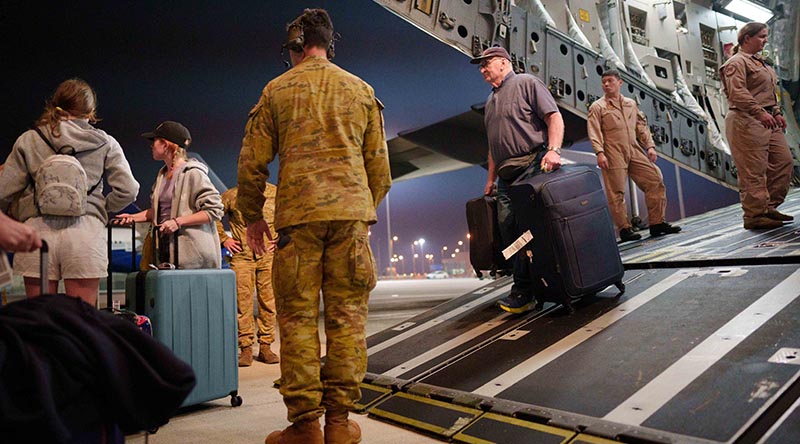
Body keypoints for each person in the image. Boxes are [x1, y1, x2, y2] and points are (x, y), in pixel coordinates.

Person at [236, 8, 391, 444]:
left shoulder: (276, 91)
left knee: (299, 320)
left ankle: (305, 427)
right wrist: (364, 211)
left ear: (296, 47)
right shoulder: (360, 90)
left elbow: (252, 164)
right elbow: (379, 169)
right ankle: (339, 424)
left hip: (298, 223)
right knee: (347, 320)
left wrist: (251, 216)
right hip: (350, 221)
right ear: (328, 43)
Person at [0, 78, 139, 305]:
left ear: (55, 105)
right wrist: (100, 207)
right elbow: (129, 190)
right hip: (85, 233)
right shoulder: (105, 143)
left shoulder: (29, 139)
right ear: (91, 111)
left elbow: (3, 191)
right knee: (82, 322)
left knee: (40, 320)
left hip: (38, 234)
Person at [472, 46, 564, 314]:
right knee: (509, 230)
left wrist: (554, 151)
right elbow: (493, 146)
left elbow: (553, 116)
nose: (482, 70)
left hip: (531, 165)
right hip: (505, 176)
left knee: (531, 230)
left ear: (502, 62)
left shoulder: (526, 83)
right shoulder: (490, 101)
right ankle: (525, 287)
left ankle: (533, 287)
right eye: (480, 66)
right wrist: (490, 179)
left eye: (485, 63)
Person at [587, 69, 682, 242]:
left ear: (619, 82)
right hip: (612, 151)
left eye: (610, 81)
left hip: (634, 148)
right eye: (603, 82)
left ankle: (657, 223)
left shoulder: (630, 104)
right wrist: (600, 152)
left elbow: (641, 126)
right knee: (616, 192)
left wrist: (650, 146)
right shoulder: (598, 107)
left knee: (655, 179)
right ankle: (624, 229)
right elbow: (594, 131)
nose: (606, 84)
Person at [114, 121, 223, 269]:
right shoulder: (162, 175)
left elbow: (214, 210)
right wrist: (133, 218)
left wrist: (177, 222)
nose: (151, 145)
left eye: (154, 141)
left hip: (192, 255)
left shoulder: (193, 173)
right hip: (167, 251)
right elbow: (159, 211)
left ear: (165, 145)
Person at [719, 22, 795, 230]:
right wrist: (760, 112)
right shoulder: (736, 62)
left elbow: (770, 93)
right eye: (761, 36)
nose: (765, 40)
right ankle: (754, 216)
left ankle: (768, 207)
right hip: (746, 120)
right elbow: (738, 93)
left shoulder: (762, 63)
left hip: (768, 119)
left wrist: (777, 112)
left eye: (766, 36)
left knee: (784, 162)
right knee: (754, 170)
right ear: (747, 39)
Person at [216, 184, 279, 367]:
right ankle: (246, 348)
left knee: (268, 302)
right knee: (242, 304)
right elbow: (213, 215)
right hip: (242, 257)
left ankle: (266, 346)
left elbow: (289, 216)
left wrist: (282, 237)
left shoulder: (276, 193)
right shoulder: (231, 195)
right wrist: (224, 239)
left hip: (268, 255)